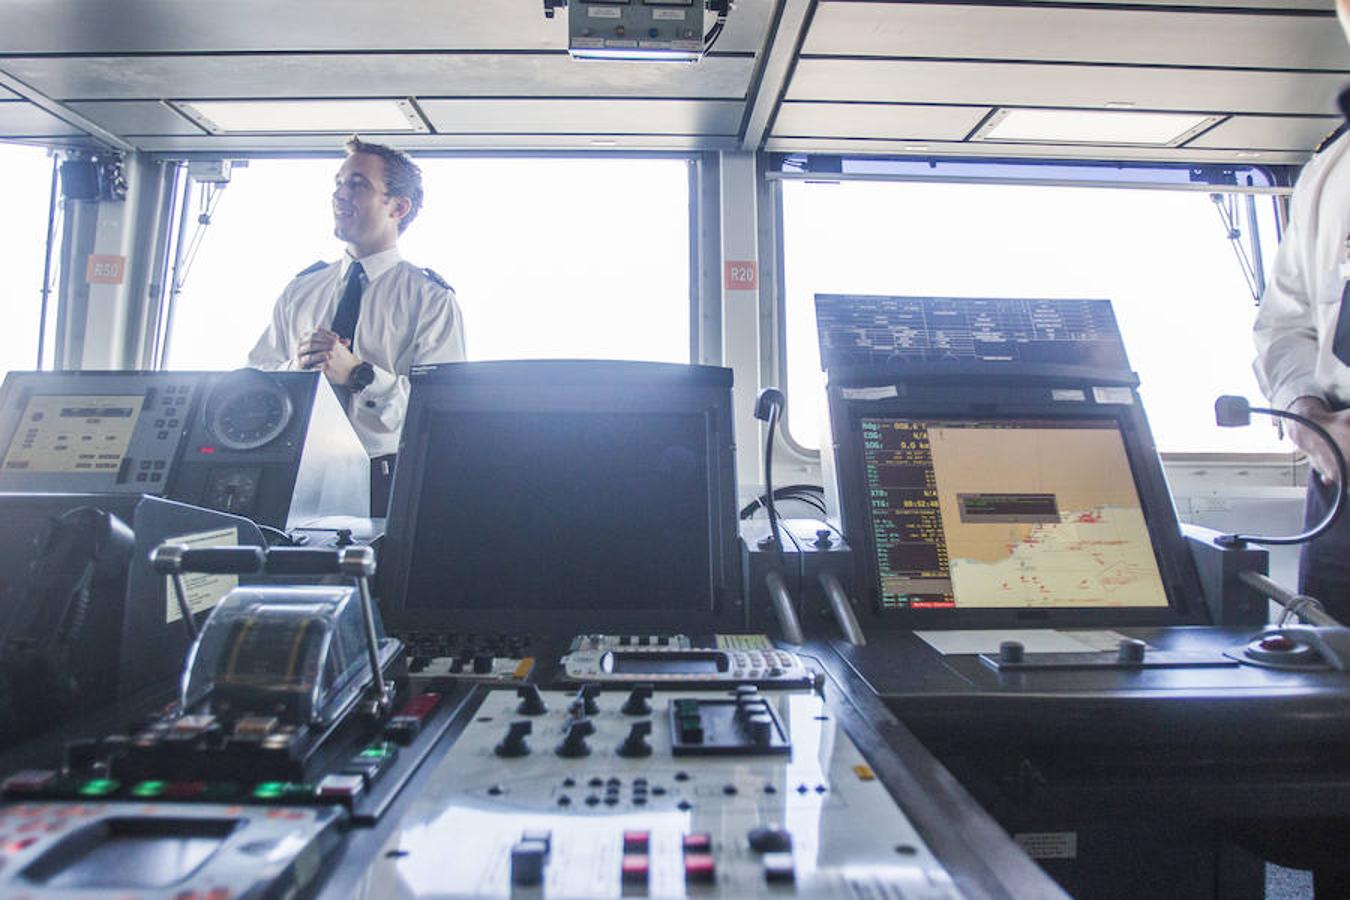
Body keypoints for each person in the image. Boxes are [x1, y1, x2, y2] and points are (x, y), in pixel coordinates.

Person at [248, 137, 465, 512]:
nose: (340, 195)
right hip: (288, 474)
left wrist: (360, 375)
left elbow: (441, 414)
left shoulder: (431, 300)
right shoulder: (301, 289)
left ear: (398, 206)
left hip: (383, 484)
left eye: (357, 185)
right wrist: (297, 372)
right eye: (338, 183)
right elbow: (255, 378)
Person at [1252, 2, 1350, 621]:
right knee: (1328, 695)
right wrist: (1308, 418)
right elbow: (1286, 325)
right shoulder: (1330, 169)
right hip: (1340, 482)